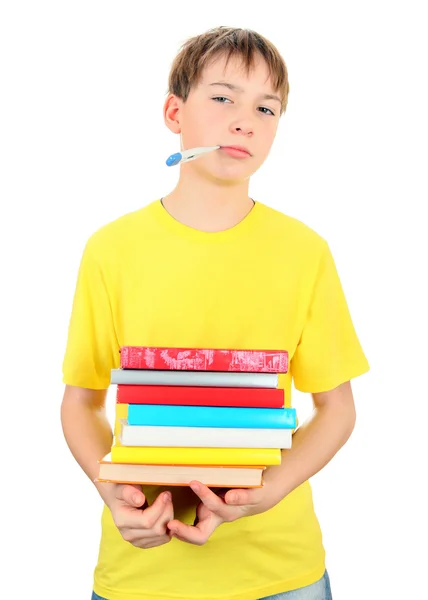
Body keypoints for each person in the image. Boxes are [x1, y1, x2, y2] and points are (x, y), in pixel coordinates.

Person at [61, 26, 369, 600]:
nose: (244, 120)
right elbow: (81, 400)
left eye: (266, 107)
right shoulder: (111, 249)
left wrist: (271, 489)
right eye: (223, 97)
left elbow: (337, 409)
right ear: (174, 112)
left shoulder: (305, 252)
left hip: (281, 572)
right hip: (141, 575)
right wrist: (113, 493)